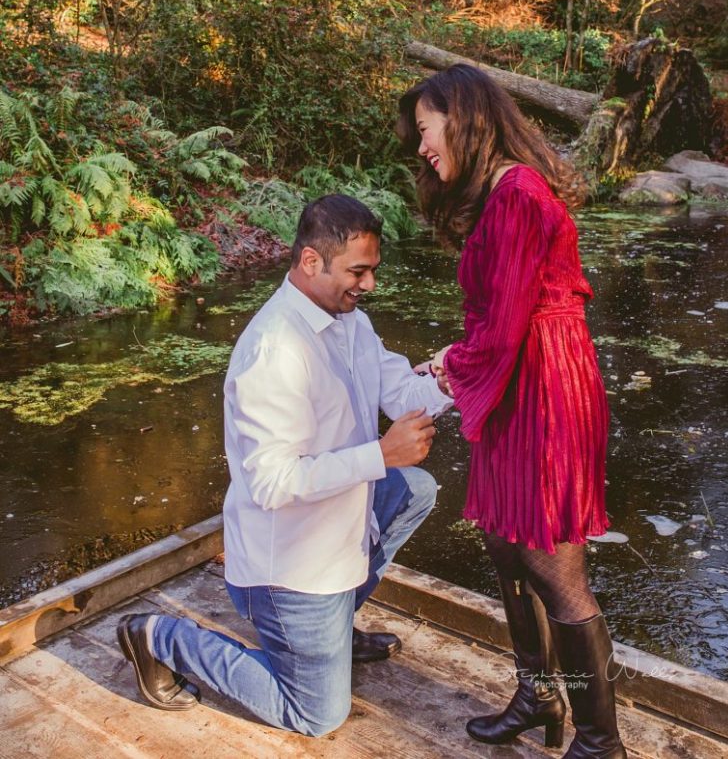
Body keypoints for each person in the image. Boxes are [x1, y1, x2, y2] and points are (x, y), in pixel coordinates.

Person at [117, 193, 452, 736]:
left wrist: (446, 381)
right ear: (311, 262)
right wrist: (380, 453)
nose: (369, 285)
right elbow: (271, 482)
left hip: (338, 534)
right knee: (317, 716)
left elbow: (398, 389)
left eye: (372, 272)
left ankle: (335, 626)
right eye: (359, 272)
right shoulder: (273, 351)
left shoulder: (349, 322)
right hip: (290, 569)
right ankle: (160, 637)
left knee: (412, 488)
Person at [397, 64, 627, 759]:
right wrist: (462, 358)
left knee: (553, 566)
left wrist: (446, 365)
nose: (420, 146)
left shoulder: (519, 196)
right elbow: (498, 320)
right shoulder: (499, 193)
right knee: (503, 540)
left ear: (462, 116)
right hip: (519, 381)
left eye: (425, 129)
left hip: (546, 388)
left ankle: (599, 742)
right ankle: (539, 695)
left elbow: (502, 329)